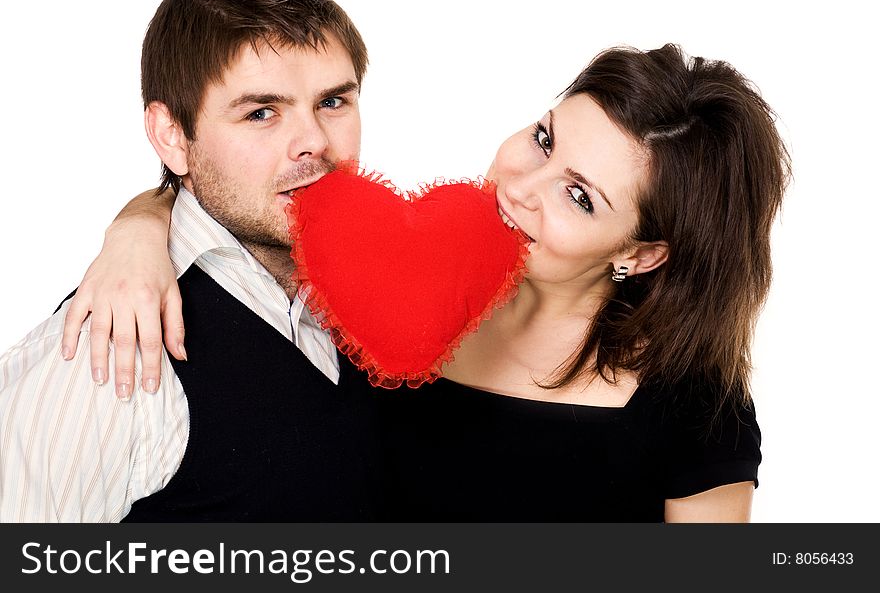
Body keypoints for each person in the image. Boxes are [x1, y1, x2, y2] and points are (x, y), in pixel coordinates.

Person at [61, 42, 791, 521]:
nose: (521, 187)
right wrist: (138, 226)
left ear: (645, 253)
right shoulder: (388, 295)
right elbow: (251, 196)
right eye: (543, 138)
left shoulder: (693, 408)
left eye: (579, 195)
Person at [0, 0, 385, 521]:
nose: (314, 143)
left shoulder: (375, 281)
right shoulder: (105, 353)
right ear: (171, 135)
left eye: (333, 102)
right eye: (260, 113)